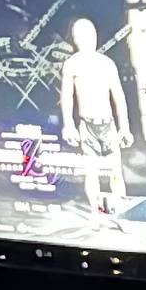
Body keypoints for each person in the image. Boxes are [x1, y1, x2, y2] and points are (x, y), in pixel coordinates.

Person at [59, 16, 132, 216]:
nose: (87, 39)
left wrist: (124, 127)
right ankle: (96, 214)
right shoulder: (72, 64)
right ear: (76, 39)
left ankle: (120, 214)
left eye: (89, 34)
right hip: (87, 126)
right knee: (92, 173)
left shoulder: (106, 64)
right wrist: (69, 125)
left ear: (95, 36)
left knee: (116, 172)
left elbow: (119, 97)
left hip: (107, 125)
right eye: (81, 35)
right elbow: (67, 96)